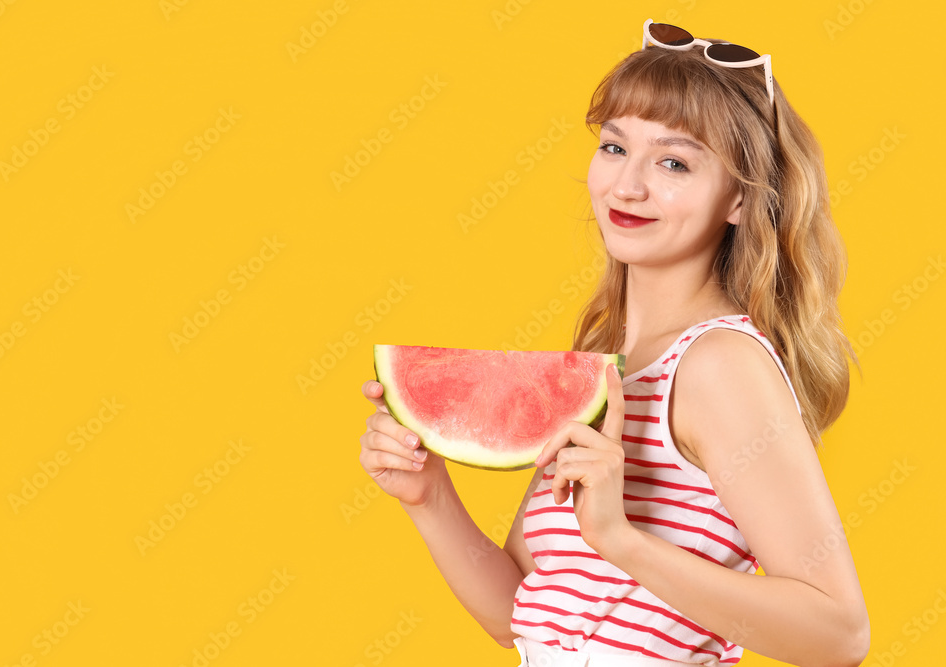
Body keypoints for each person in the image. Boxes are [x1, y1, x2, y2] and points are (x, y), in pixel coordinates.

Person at [359, 18, 869, 667]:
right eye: (614, 146)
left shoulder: (717, 365)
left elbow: (838, 635)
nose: (627, 185)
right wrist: (428, 494)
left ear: (737, 199)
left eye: (674, 161)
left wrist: (620, 539)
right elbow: (521, 613)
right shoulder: (611, 363)